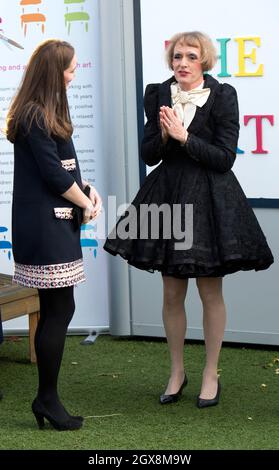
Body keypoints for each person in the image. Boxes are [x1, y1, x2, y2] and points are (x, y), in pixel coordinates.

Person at [104, 31, 274, 408]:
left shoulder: (224, 95)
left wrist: (184, 137)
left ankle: (211, 373)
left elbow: (224, 157)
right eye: (177, 56)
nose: (181, 62)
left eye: (191, 56)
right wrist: (165, 137)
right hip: (169, 195)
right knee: (171, 292)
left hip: (211, 200)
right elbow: (149, 154)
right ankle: (177, 371)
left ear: (205, 61)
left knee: (210, 291)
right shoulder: (158, 93)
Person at [6, 39, 102, 429]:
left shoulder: (44, 111)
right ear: (53, 72)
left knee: (60, 309)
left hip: (55, 223)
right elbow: (52, 174)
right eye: (70, 68)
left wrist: (87, 192)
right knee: (59, 310)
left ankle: (47, 399)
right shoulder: (33, 115)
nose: (73, 74)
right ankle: (46, 399)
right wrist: (84, 201)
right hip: (45, 228)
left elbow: (66, 168)